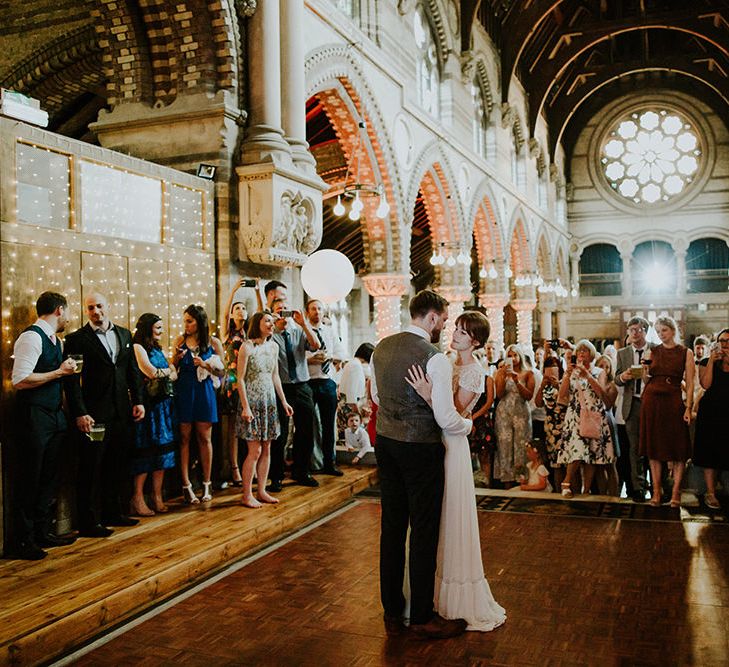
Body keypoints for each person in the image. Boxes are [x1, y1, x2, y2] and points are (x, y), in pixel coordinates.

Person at [370, 289, 471, 639]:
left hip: (386, 444)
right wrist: (467, 426)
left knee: (393, 528)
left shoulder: (381, 347)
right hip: (420, 448)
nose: (443, 327)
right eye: (442, 321)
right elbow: (445, 417)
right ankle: (423, 616)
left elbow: (377, 397)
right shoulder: (434, 358)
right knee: (424, 531)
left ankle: (392, 611)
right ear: (430, 317)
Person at [403, 309, 506, 633]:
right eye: (456, 329)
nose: (455, 334)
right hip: (437, 439)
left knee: (451, 513)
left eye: (462, 332)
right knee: (434, 516)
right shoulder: (447, 361)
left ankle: (456, 597)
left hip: (452, 442)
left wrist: (426, 394)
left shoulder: (474, 372)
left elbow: (454, 413)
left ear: (474, 341)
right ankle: (430, 592)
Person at [65, 292, 145, 537]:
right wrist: (80, 412)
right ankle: (88, 522)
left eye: (99, 306)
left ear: (108, 306)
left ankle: (114, 512)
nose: (95, 311)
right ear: (86, 311)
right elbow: (72, 381)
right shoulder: (76, 339)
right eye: (90, 308)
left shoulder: (124, 334)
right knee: (91, 466)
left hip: (121, 412)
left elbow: (132, 371)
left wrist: (139, 401)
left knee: (117, 463)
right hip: (94, 416)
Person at [11, 291, 78, 559]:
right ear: (60, 310)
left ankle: (42, 531)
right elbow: (20, 379)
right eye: (68, 312)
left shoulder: (56, 341)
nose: (68, 317)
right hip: (33, 416)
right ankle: (22, 540)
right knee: (31, 476)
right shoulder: (31, 337)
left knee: (49, 476)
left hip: (54, 416)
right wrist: (59, 372)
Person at [236, 312, 293, 508]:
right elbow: (240, 379)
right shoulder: (247, 347)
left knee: (267, 447)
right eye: (267, 320)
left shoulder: (274, 346)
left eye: (272, 321)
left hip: (269, 400)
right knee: (254, 449)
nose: (271, 324)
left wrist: (283, 402)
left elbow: (275, 376)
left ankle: (261, 490)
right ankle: (246, 494)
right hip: (252, 400)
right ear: (257, 323)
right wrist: (245, 406)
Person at [640, 316, 695, 508]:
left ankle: (676, 492)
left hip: (673, 400)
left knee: (677, 447)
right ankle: (656, 491)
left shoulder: (685, 352)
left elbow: (690, 382)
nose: (661, 334)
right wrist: (645, 369)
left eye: (664, 330)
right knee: (654, 448)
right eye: (658, 331)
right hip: (652, 400)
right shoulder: (652, 350)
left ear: (673, 330)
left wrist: (688, 407)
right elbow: (646, 380)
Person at [172, 304, 225, 504]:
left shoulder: (213, 343)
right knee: (184, 438)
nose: (185, 325)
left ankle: (207, 483)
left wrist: (205, 364)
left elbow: (222, 372)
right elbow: (172, 368)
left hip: (204, 392)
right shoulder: (180, 341)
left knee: (205, 438)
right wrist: (176, 359)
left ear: (199, 322)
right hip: (185, 391)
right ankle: (186, 484)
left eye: (190, 321)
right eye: (184, 320)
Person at [270, 298, 321, 489]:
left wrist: (303, 323)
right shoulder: (271, 336)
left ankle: (302, 472)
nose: (283, 312)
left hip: (302, 386)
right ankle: (276, 476)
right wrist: (271, 322)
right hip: (282, 388)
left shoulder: (299, 331)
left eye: (285, 309)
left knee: (306, 430)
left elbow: (315, 345)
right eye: (279, 309)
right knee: (280, 433)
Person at [130, 313, 178, 517]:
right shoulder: (137, 347)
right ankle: (137, 497)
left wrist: (168, 371)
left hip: (163, 406)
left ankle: (157, 496)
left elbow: (170, 373)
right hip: (147, 406)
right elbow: (150, 372)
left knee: (162, 452)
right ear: (147, 328)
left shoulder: (157, 348)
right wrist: (169, 371)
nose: (161, 331)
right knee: (145, 452)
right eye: (157, 327)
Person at [557, 340, 615, 497]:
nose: (581, 353)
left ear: (592, 354)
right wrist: (567, 374)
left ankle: (587, 489)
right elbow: (562, 396)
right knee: (578, 448)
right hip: (575, 414)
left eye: (585, 350)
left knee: (591, 453)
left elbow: (602, 393)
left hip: (594, 414)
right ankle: (566, 482)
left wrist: (588, 376)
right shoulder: (572, 371)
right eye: (579, 351)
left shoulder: (598, 371)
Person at [306, 299, 346, 476]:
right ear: (308, 312)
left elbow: (341, 353)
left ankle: (330, 463)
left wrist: (328, 357)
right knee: (308, 425)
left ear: (323, 312)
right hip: (308, 381)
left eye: (319, 309)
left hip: (327, 380)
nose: (317, 311)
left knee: (328, 425)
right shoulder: (302, 331)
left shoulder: (329, 332)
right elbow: (297, 356)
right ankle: (311, 463)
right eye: (313, 309)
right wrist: (310, 358)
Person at [614, 317, 652, 502]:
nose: (634, 333)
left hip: (652, 403)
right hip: (632, 403)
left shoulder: (655, 350)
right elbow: (616, 379)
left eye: (638, 330)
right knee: (634, 448)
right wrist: (624, 375)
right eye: (631, 330)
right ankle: (638, 488)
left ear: (645, 330)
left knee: (654, 446)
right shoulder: (622, 353)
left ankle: (657, 485)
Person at [693, 329, 729, 510]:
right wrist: (712, 362)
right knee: (709, 452)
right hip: (711, 412)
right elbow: (705, 384)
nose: (725, 344)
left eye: (728, 341)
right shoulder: (707, 362)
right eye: (722, 341)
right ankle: (710, 492)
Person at [220, 280, 250, 487]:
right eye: (237, 308)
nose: (241, 311)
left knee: (247, 427)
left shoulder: (250, 335)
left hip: (247, 383)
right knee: (232, 430)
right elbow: (224, 315)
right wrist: (233, 291)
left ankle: (247, 464)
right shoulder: (228, 335)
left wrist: (256, 292)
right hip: (231, 383)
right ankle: (233, 467)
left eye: (243, 308)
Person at [493, 344, 534, 487]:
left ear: (520, 356)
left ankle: (523, 481)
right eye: (509, 356)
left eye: (515, 355)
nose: (512, 358)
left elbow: (528, 396)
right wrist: (503, 376)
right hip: (504, 412)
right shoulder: (501, 372)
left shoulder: (528, 373)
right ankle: (507, 483)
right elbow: (499, 394)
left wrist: (516, 381)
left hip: (521, 412)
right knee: (504, 445)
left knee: (521, 446)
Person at [534, 356, 566, 490]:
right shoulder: (545, 387)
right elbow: (538, 403)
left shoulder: (565, 382)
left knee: (568, 463)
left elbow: (568, 401)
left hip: (564, 424)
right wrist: (542, 385)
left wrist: (558, 385)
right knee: (555, 464)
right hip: (550, 428)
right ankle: (558, 492)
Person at [595, 354, 620, 496]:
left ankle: (614, 495)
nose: (604, 369)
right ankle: (602, 495)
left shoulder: (613, 385)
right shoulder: (592, 381)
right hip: (594, 422)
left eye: (607, 367)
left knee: (610, 463)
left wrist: (600, 385)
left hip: (607, 421)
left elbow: (608, 403)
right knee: (598, 464)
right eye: (601, 366)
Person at [337, 342, 375, 435]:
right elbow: (352, 392)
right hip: (350, 407)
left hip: (345, 403)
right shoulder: (356, 366)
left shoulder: (352, 363)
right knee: (351, 437)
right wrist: (357, 411)